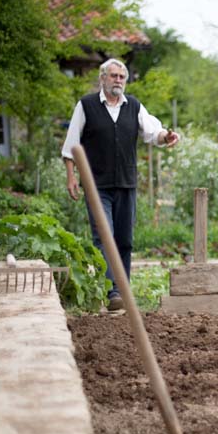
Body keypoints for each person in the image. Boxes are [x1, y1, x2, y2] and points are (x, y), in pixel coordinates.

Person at [61, 58, 180, 311]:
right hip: (96, 185)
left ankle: (123, 289)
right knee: (104, 237)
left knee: (124, 239)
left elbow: (153, 132)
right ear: (102, 78)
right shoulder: (86, 106)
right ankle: (111, 291)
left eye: (121, 77)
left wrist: (166, 136)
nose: (118, 81)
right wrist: (71, 176)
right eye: (113, 76)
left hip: (126, 183)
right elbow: (72, 143)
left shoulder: (133, 106)